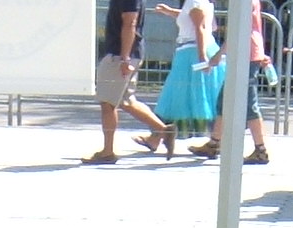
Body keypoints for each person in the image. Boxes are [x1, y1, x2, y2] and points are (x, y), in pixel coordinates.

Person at [186, 0, 271, 164]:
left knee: (249, 104)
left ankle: (260, 150)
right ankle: (214, 143)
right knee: (225, 100)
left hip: (246, 55)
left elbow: (239, 30)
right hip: (248, 53)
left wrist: (219, 55)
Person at [89, 0, 169, 163]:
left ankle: (107, 151)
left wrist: (124, 58)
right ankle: (165, 131)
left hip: (120, 56)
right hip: (126, 54)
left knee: (107, 103)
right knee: (127, 101)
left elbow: (130, 22)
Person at [152, 0, 221, 149]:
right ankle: (156, 137)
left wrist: (202, 57)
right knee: (184, 95)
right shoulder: (202, 3)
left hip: (191, 52)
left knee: (175, 95)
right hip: (197, 49)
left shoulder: (195, 1)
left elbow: (200, 27)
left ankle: (157, 136)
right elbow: (196, 20)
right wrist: (170, 11)